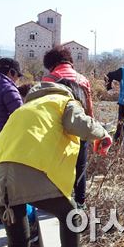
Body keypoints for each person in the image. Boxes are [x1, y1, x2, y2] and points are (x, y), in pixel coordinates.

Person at [0, 82, 112, 247]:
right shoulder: (63, 101)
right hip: (28, 170)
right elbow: (79, 123)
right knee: (71, 213)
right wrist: (103, 134)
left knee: (18, 241)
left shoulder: (24, 109)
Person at [42, 46, 93, 208]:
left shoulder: (49, 79)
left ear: (51, 64)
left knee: (58, 165)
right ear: (69, 61)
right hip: (80, 129)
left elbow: (45, 109)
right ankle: (80, 202)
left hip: (58, 130)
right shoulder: (83, 80)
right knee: (80, 166)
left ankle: (60, 201)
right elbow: (89, 110)